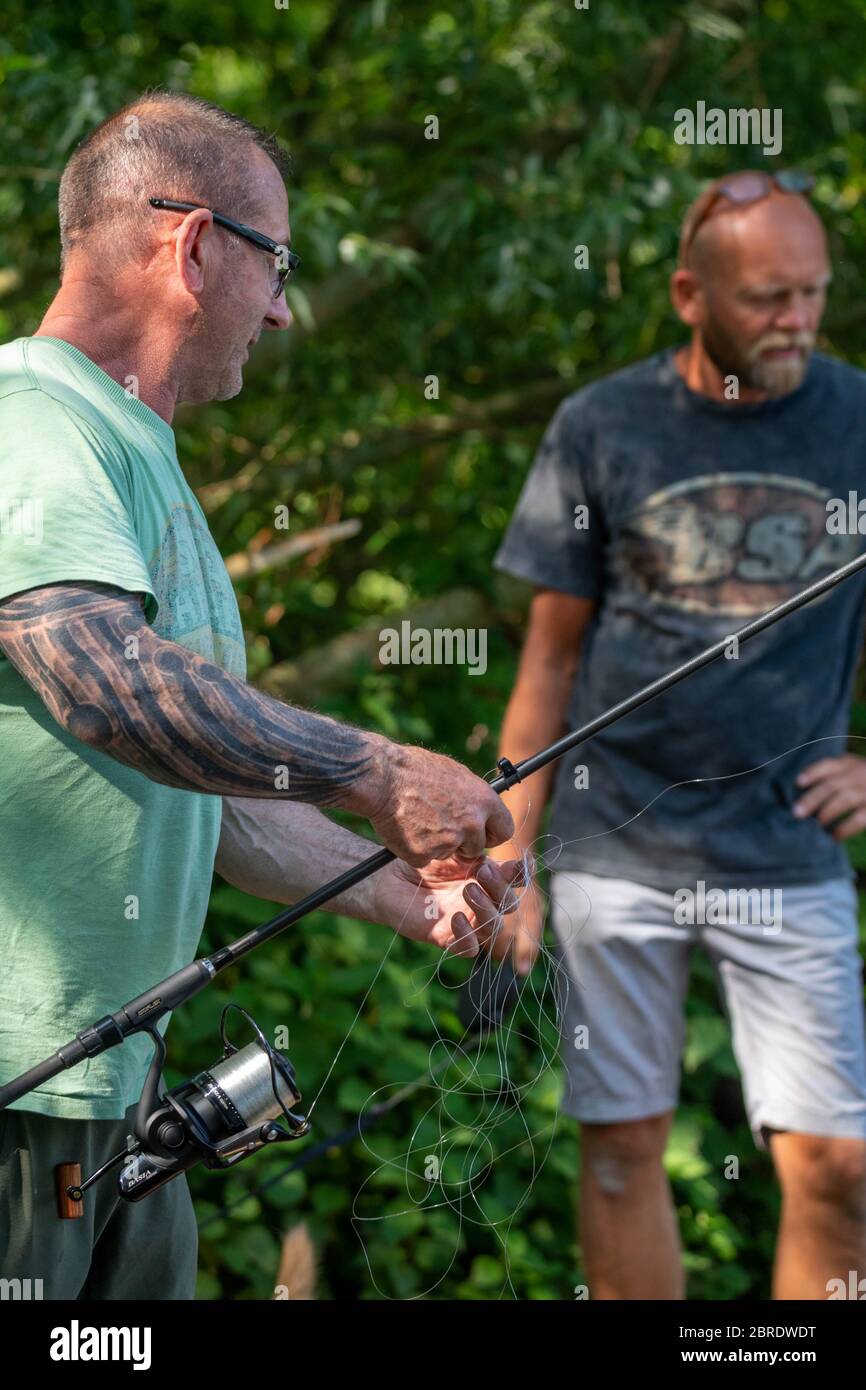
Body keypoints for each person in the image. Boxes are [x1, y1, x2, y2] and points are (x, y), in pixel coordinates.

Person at [0, 91, 525, 1300]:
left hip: (123, 1096)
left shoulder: (143, 463)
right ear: (194, 248)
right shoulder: (32, 419)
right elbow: (108, 686)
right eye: (275, 264)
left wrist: (402, 886)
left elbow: (214, 800)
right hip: (29, 1093)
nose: (284, 306)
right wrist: (383, 772)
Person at [489, 170, 866, 1299]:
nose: (795, 322)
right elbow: (549, 658)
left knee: (839, 1168)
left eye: (811, 295)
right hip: (615, 841)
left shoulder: (856, 419)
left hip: (786, 845)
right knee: (616, 1151)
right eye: (766, 300)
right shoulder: (601, 427)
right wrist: (510, 846)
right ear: (687, 296)